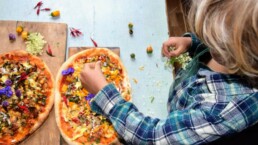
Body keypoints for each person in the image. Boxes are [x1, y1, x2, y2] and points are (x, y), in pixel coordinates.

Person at [80, 0, 258, 144]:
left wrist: (105, 94)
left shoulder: (222, 111)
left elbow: (152, 137)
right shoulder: (242, 53)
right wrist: (193, 43)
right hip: (180, 113)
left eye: (212, 39)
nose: (206, 40)